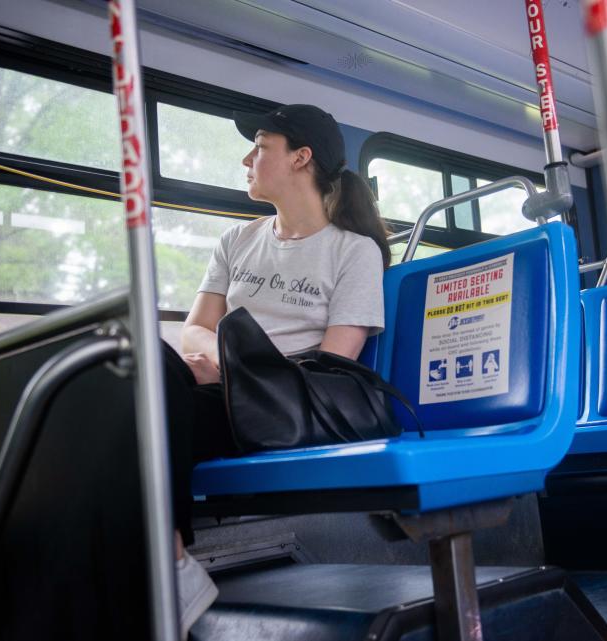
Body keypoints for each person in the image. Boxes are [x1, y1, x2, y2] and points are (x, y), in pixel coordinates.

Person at [165, 104, 389, 635]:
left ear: (300, 158)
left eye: (261, 146)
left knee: (155, 402)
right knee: (145, 373)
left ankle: (168, 569)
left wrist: (235, 375)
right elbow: (195, 330)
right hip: (225, 390)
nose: (247, 158)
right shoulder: (236, 242)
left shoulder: (353, 252)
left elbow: (334, 363)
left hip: (286, 407)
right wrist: (225, 366)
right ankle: (166, 565)